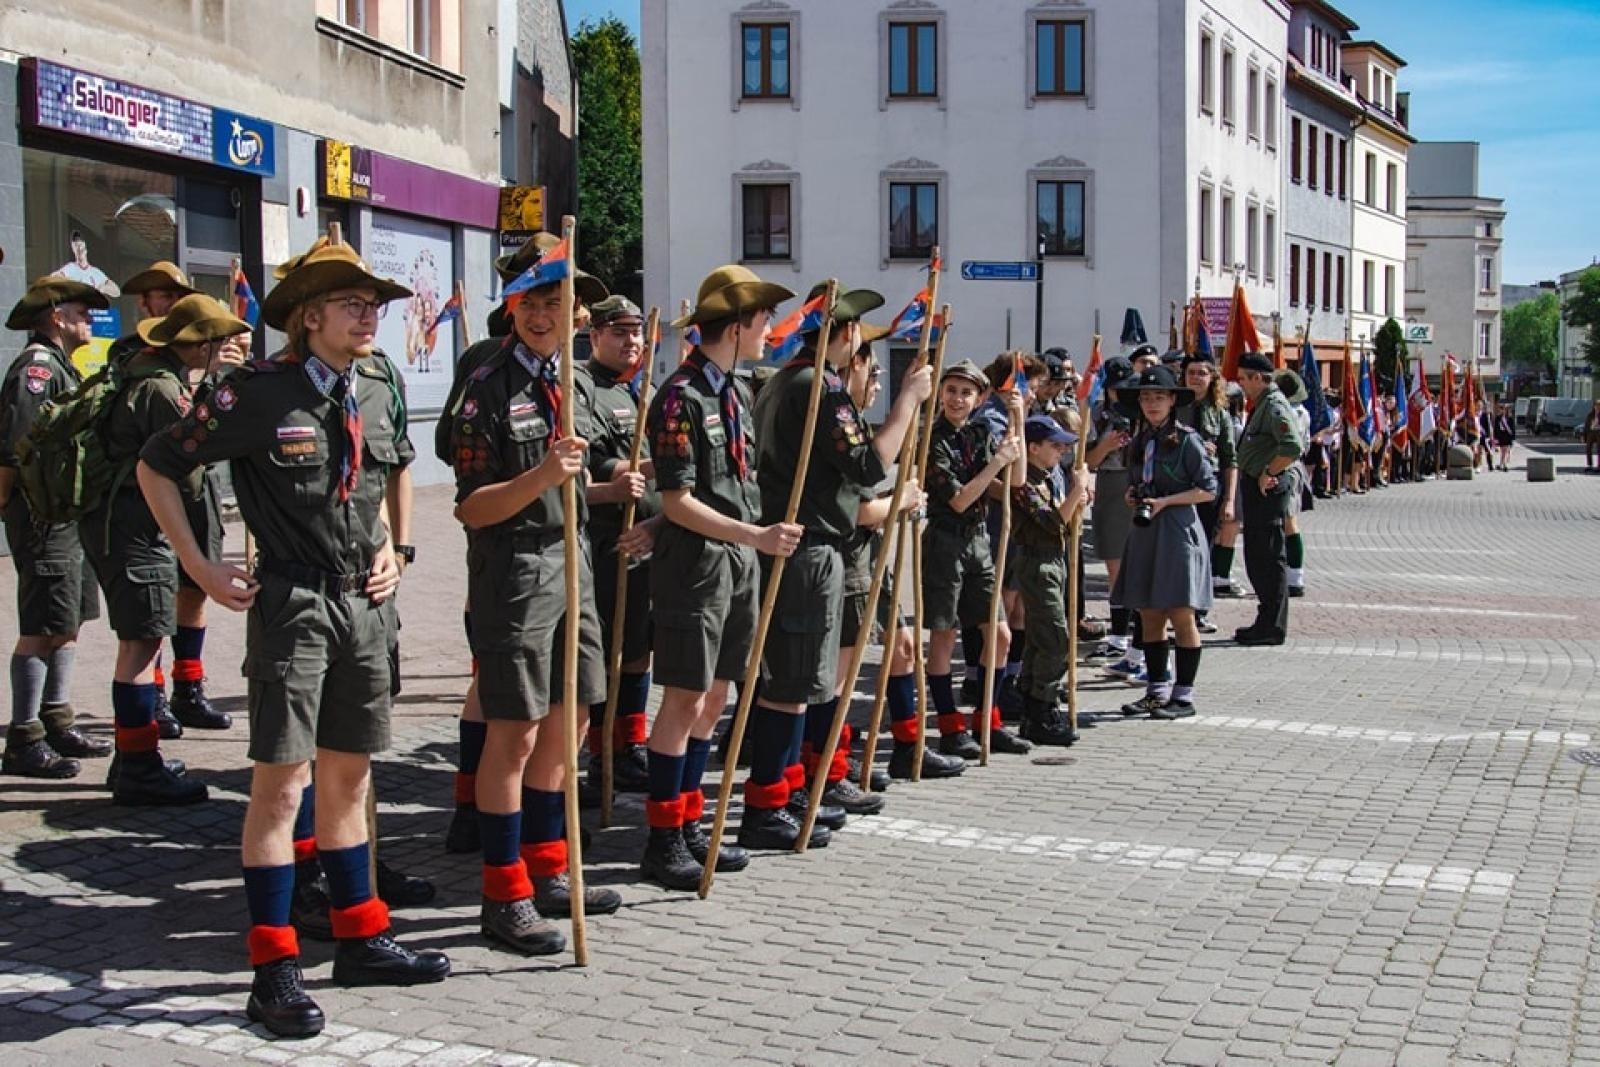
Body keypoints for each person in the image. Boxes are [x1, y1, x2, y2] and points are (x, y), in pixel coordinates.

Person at [137, 243, 449, 1038]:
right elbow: (157, 465)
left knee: (348, 784)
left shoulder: (375, 387)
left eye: (373, 301)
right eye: (351, 301)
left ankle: (359, 936)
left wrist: (395, 546)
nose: (369, 312)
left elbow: (389, 475)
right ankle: (274, 969)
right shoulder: (255, 391)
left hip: (364, 609)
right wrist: (201, 567)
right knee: (280, 790)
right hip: (295, 606)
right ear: (309, 316)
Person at [447, 264, 623, 953]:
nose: (544, 314)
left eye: (558, 302)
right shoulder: (486, 388)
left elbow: (591, 468)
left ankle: (549, 867)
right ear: (512, 305)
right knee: (514, 732)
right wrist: (543, 474)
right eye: (532, 301)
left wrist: (611, 480)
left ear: (578, 313)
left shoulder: (573, 381)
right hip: (515, 568)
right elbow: (470, 505)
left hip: (573, 558)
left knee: (570, 717)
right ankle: (503, 892)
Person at [745, 283, 932, 839]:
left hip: (799, 539)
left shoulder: (786, 381)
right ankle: (768, 803)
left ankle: (794, 789)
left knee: (805, 679)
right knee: (795, 681)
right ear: (845, 334)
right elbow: (868, 467)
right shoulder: (820, 387)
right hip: (810, 544)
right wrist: (907, 403)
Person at [639, 265, 802, 885]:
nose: (768, 333)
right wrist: (754, 536)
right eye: (762, 323)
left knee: (716, 697)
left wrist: (749, 540)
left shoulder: (733, 391)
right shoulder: (680, 396)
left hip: (734, 561)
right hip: (699, 569)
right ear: (736, 326)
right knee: (684, 698)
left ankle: (688, 819)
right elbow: (678, 500)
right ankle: (663, 838)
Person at [83, 296, 249, 806]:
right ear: (198, 345)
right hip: (136, 527)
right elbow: (189, 463)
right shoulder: (161, 387)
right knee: (141, 644)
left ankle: (134, 757)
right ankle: (138, 766)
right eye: (216, 341)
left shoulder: (152, 373)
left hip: (128, 525)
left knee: (143, 639)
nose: (223, 348)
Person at [836, 339, 964, 782]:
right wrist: (899, 501)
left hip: (870, 560)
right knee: (842, 668)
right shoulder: (835, 427)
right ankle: (836, 758)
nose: (876, 386)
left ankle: (909, 747)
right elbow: (850, 509)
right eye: (873, 375)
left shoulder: (856, 424)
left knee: (905, 649)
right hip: (845, 558)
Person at [0, 277, 111, 779]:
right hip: (44, 515)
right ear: (56, 317)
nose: (89, 319)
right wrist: (12, 506)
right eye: (81, 311)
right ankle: (24, 738)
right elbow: (19, 449)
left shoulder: (64, 367)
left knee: (67, 620)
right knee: (40, 627)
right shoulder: (38, 370)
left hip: (67, 515)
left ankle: (56, 718)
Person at [921, 360, 1029, 758]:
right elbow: (962, 497)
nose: (957, 398)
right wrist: (997, 464)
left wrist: (1018, 418)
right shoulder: (932, 440)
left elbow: (1015, 484)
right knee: (945, 636)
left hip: (979, 541)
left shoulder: (980, 432)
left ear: (980, 398)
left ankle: (988, 718)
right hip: (945, 543)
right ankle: (950, 726)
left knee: (999, 635)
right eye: (951, 389)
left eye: (967, 392)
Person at [580, 295, 659, 796]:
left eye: (636, 333)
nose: (631, 341)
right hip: (609, 540)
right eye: (618, 332)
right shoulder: (586, 388)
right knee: (608, 654)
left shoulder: (635, 392)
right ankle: (601, 752)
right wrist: (676, 462)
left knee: (638, 650)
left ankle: (630, 745)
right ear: (594, 337)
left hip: (645, 542)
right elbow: (602, 464)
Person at [1113, 366, 1217, 719]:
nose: (1151, 403)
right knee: (1148, 612)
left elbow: (1207, 490)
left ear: (1173, 400)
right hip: (1146, 532)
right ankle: (1156, 691)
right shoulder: (1140, 441)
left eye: (1159, 396)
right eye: (1145, 397)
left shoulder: (1187, 440)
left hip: (1176, 530)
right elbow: (1138, 480)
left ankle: (1183, 697)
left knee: (1181, 613)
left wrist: (1166, 502)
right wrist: (1134, 496)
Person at [1011, 416, 1089, 744]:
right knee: (1056, 639)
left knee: (1041, 640)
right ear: (1033, 448)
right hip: (1037, 563)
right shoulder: (1024, 483)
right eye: (1054, 446)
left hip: (1056, 560)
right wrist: (1078, 491)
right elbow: (1050, 521)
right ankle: (1042, 705)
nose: (1061, 451)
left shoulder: (1048, 477)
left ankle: (1034, 707)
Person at [1233, 352, 1308, 647]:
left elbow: (1292, 446)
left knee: (1267, 555)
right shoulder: (1263, 404)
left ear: (1257, 378)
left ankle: (1271, 626)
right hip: (1259, 485)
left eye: (1243, 378)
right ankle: (1266, 621)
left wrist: (1268, 471)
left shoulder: (1274, 404)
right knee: (1259, 554)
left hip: (1268, 487)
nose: (1240, 384)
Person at [1085, 358, 1140, 673]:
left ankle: (1131, 637)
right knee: (1115, 566)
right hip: (1110, 482)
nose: (1122, 394)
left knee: (1135, 565)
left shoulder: (1143, 415)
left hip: (1133, 483)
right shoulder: (1098, 414)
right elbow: (1089, 461)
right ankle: (1120, 634)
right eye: (1116, 388)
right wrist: (1105, 445)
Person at [1178, 352, 1235, 635]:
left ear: (1212, 378)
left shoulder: (1220, 413)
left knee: (1204, 551)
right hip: (1178, 488)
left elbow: (1230, 461)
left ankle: (1199, 609)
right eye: (1191, 372)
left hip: (1207, 491)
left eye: (1202, 373)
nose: (1196, 378)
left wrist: (1229, 500)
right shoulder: (1174, 408)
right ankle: (1176, 607)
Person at [107, 261, 199, 368]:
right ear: (144, 302)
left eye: (181, 297)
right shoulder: (126, 349)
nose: (176, 303)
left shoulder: (196, 345)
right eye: (167, 296)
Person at [1274, 369, 1313, 598]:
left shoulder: (1289, 411)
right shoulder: (1303, 412)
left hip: (1285, 465)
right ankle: (1293, 574)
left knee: (1289, 521)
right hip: (1294, 464)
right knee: (1287, 521)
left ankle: (1295, 576)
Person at [1490, 400, 1515, 472]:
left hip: (1508, 436)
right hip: (1501, 436)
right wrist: (1495, 437)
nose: (1502, 410)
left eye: (1503, 409)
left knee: (1506, 450)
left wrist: (1513, 437)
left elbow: (1512, 428)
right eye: (1501, 409)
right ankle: (1501, 464)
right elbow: (1496, 428)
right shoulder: (1498, 418)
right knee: (1502, 451)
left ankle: (1505, 465)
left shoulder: (1510, 418)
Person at [1585, 399, 1600, 473]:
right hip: (1591, 433)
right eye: (1596, 405)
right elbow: (1586, 425)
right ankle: (1589, 465)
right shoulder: (1590, 414)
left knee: (1599, 450)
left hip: (1599, 434)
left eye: (1599, 406)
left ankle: (1599, 466)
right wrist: (1584, 435)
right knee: (1588, 449)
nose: (1597, 407)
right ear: (1594, 406)